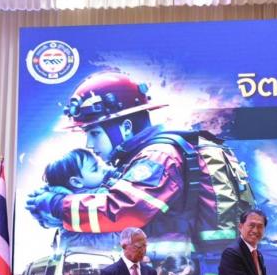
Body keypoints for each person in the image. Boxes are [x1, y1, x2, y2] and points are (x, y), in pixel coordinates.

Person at [26, 70, 253, 262]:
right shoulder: (141, 157)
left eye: (94, 133)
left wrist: (58, 204)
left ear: (125, 127)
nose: (89, 144)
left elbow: (124, 209)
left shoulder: (158, 156)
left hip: (171, 272)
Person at [42, 148, 120, 250]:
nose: (102, 169)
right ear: (76, 182)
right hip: (97, 253)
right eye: (95, 169)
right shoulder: (95, 198)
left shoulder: (68, 199)